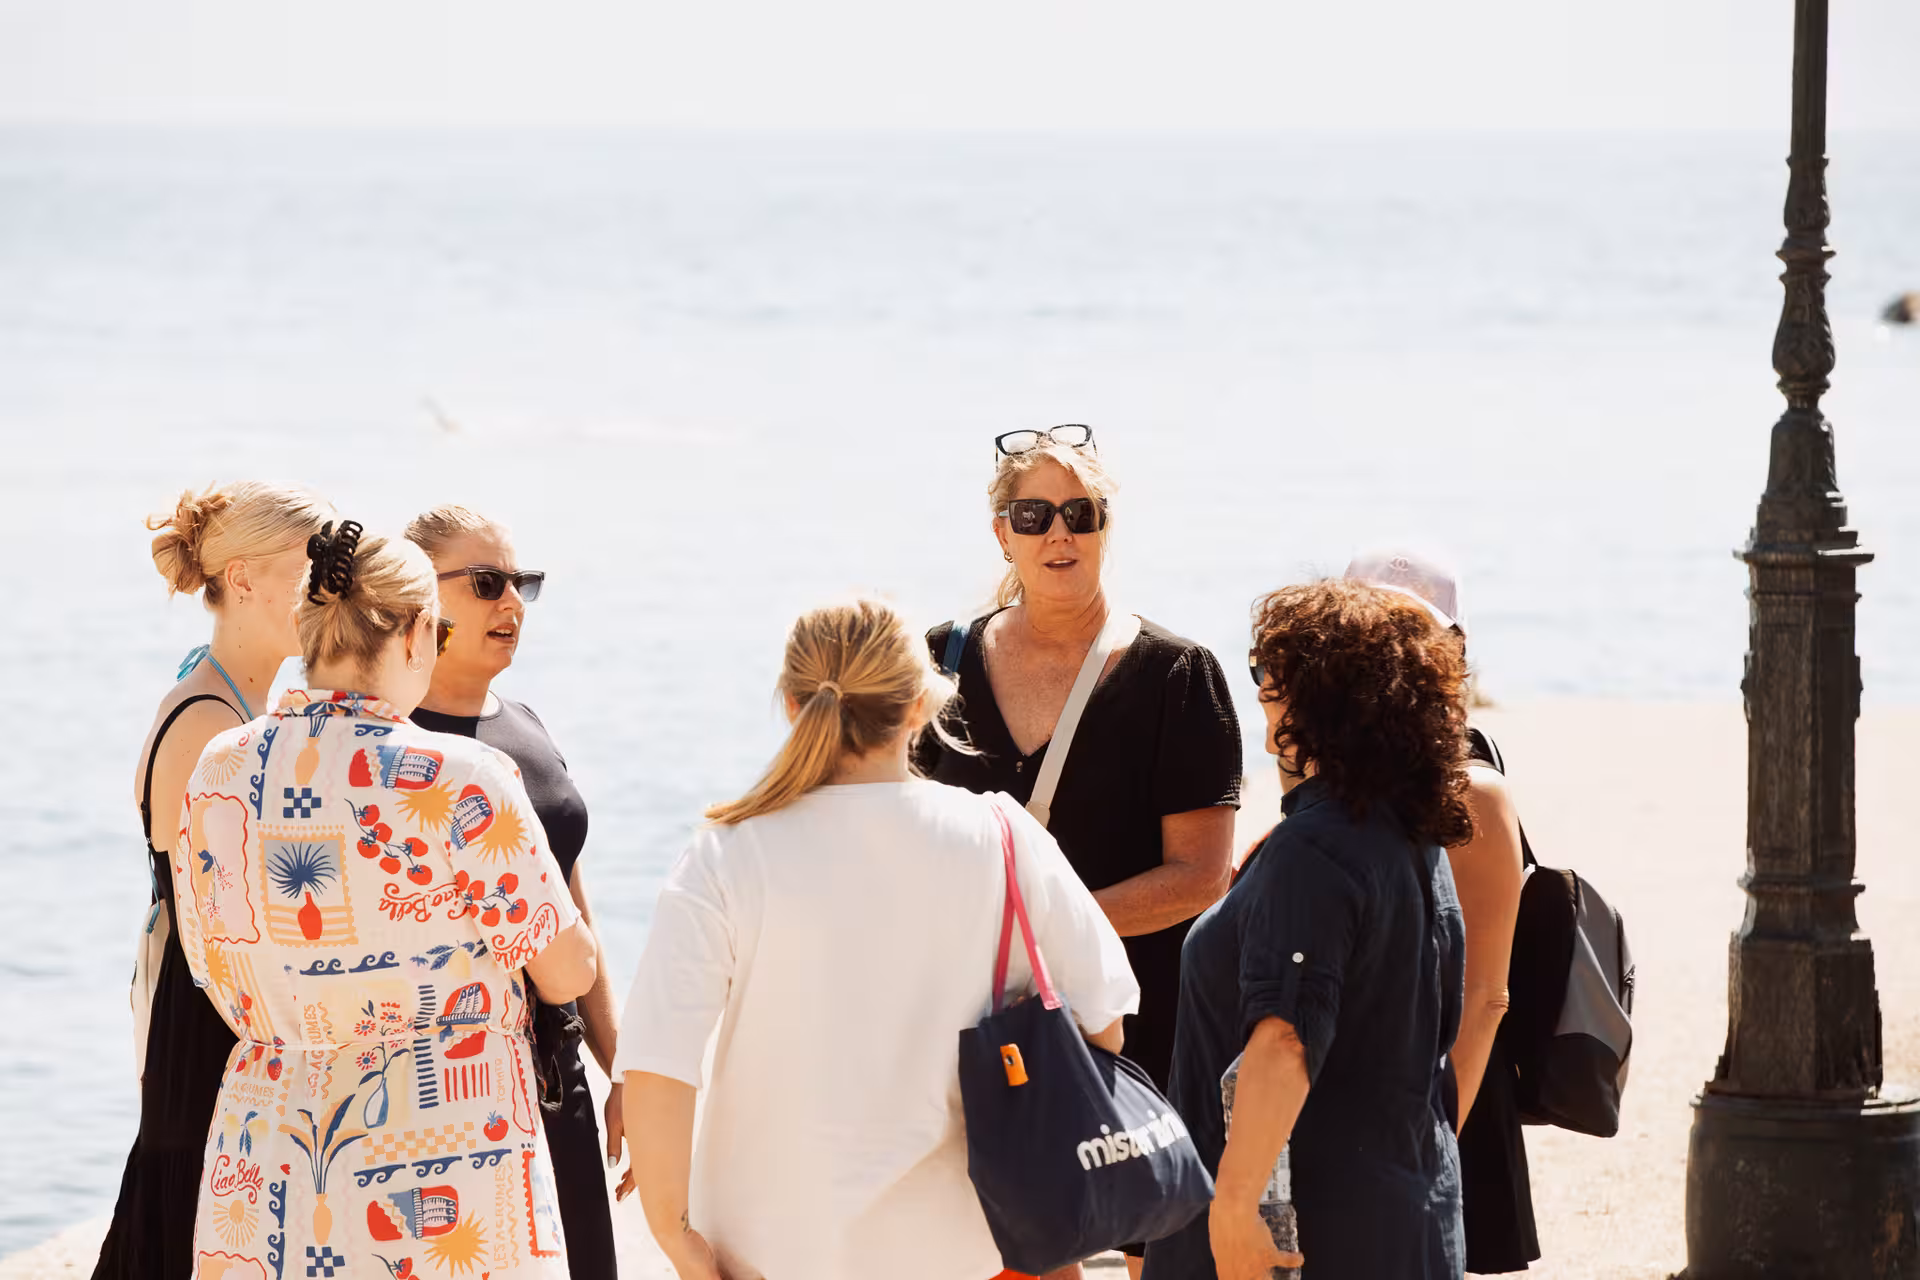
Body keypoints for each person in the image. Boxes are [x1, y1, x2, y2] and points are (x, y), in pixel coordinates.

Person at [613, 599, 1140, 1280]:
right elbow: (1105, 1026)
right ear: (921, 705)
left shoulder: (727, 854)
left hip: (769, 1252)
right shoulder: (1004, 837)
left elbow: (660, 1067)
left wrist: (676, 1237)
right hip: (971, 1249)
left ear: (792, 703)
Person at [170, 520, 598, 1279]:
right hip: (441, 1161)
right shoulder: (462, 776)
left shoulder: (218, 767)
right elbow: (565, 974)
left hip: (266, 1160)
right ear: (414, 633)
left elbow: (211, 963)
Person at [916, 425, 1243, 1279]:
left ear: (1104, 526)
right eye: (1033, 514)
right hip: (979, 1010)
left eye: (1078, 512)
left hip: (1141, 1013)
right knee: (999, 1238)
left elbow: (1203, 875)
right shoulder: (936, 664)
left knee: (1150, 1238)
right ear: (1001, 532)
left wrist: (1052, 928)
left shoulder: (1179, 674)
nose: (1058, 533)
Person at [1144, 579, 1471, 1280]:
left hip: (1311, 1232)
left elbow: (1285, 1039)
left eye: (1272, 673)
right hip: (1409, 1208)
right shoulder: (1408, 834)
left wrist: (1233, 1209)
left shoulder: (1317, 851)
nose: (1260, 685)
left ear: (1326, 697)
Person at [94, 482, 334, 1280]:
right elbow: (219, 911)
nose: (327, 591)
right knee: (189, 1221)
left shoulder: (246, 694)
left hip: (235, 998)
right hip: (205, 1010)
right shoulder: (207, 720)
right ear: (241, 579)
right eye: (311, 570)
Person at [406, 503, 621, 1280]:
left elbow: (569, 901)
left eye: (520, 583)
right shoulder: (396, 744)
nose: (512, 605)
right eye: (488, 583)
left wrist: (618, 1068)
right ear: (417, 599)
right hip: (455, 1094)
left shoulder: (525, 723)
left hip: (555, 1075)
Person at [1346, 550, 1534, 1274]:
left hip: (1448, 1090)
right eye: (1368, 629)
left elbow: (1485, 996)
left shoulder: (1468, 785)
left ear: (1450, 652)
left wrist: (1426, 1147)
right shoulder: (1341, 761)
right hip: (1373, 1098)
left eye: (1408, 633)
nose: (1386, 654)